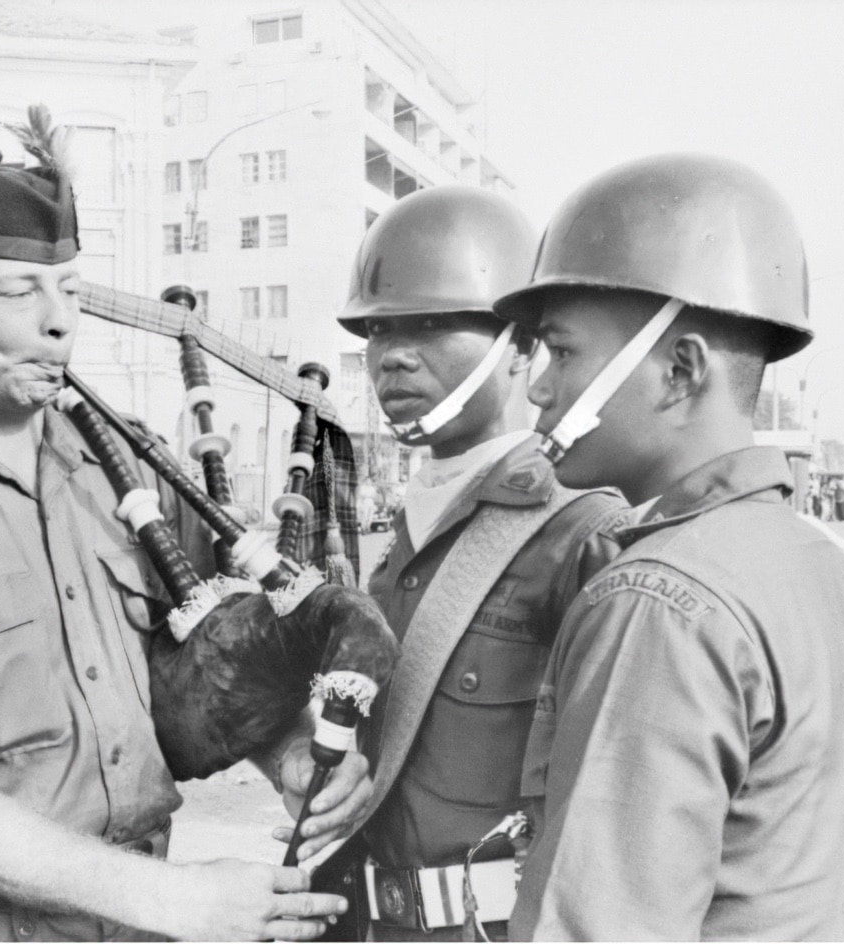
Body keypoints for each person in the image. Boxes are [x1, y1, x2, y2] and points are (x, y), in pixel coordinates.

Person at [0, 154, 351, 941]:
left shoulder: (123, 466)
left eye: (71, 291)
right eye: (19, 291)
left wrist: (282, 752)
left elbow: (208, 658)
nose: (59, 321)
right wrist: (170, 900)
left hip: (141, 917)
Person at [492, 152, 844, 939]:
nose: (537, 387)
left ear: (680, 370)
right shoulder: (832, 570)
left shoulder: (656, 600)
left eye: (562, 352)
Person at [303, 186, 628, 940]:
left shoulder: (582, 531)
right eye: (379, 329)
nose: (393, 356)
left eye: (430, 325)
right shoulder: (399, 534)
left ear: (521, 348)